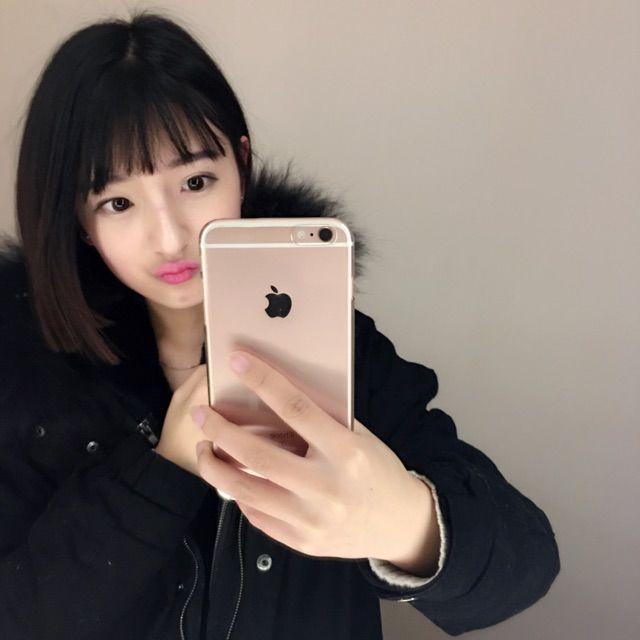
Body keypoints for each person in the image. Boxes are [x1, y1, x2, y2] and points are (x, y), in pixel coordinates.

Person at [0, 12, 560, 640]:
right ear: (78, 218)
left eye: (196, 181)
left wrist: (405, 524)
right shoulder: (26, 377)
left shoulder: (339, 348)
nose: (170, 236)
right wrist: (164, 471)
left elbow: (527, 563)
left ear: (241, 165)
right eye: (119, 202)